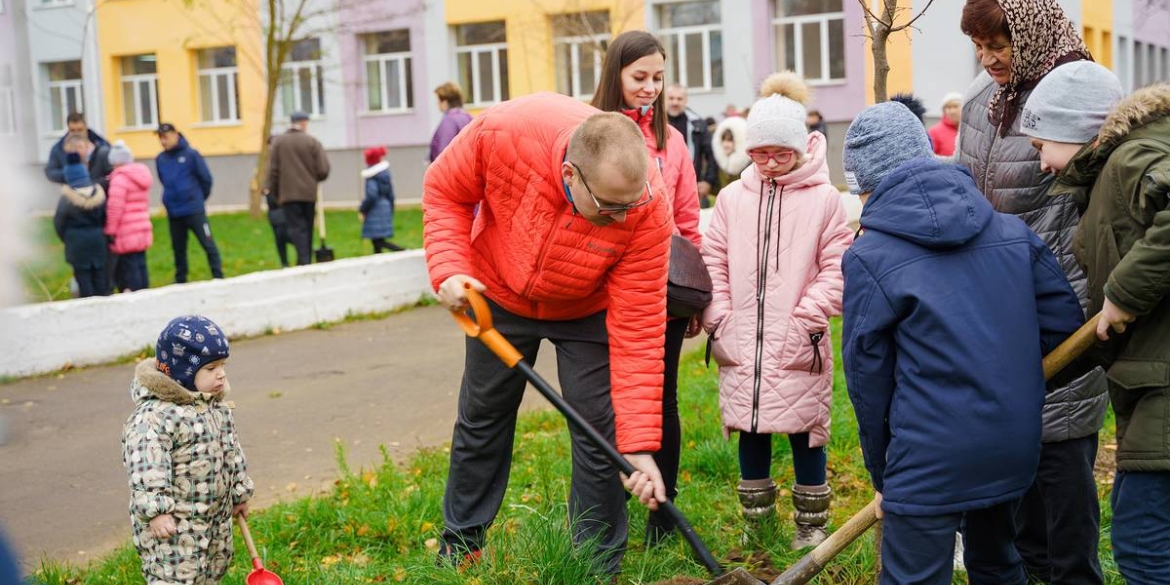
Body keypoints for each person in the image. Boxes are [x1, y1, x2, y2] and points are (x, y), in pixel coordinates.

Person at [423, 94, 672, 577]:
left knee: (601, 430)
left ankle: (594, 563)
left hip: (587, 307)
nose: (622, 218)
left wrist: (638, 444)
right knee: (482, 416)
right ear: (571, 174)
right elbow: (444, 191)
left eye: (631, 203)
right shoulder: (504, 132)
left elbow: (638, 331)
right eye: (609, 206)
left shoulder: (647, 209)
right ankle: (462, 543)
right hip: (497, 289)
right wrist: (450, 270)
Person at [841, 101, 1085, 585]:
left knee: (915, 576)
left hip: (928, 456)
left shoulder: (869, 256)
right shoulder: (1013, 233)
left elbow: (868, 384)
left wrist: (884, 474)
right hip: (1011, 442)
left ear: (865, 186)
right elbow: (1064, 323)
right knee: (998, 563)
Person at [958, 2, 1108, 583]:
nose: (989, 57)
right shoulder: (979, 101)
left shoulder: (1077, 98)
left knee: (1062, 455)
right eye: (979, 45)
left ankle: (1070, 573)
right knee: (1012, 453)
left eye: (1000, 44)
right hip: (994, 303)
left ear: (1033, 33)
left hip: (1065, 299)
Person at [1020, 62, 1170, 584]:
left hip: (1164, 388)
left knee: (1144, 546)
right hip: (1150, 381)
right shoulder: (1118, 173)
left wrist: (1124, 293)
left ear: (1075, 132)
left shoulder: (1131, 159)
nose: (1040, 164)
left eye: (1042, 147)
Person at [701, 71, 852, 550]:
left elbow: (839, 266)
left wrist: (809, 315)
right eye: (760, 153)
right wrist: (719, 316)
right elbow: (713, 260)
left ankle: (810, 526)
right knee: (750, 426)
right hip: (741, 338)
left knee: (807, 430)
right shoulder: (730, 199)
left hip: (799, 341)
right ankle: (757, 523)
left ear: (800, 149)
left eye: (780, 153)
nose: (769, 163)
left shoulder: (825, 201)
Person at [590, 30, 701, 545]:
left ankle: (662, 516)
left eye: (658, 77)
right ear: (615, 75)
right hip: (601, 290)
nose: (651, 88)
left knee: (661, 401)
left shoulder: (672, 142)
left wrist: (699, 288)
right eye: (640, 77)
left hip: (661, 290)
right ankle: (602, 515)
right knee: (606, 403)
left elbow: (687, 219)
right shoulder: (589, 133)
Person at [122, 315, 253, 585]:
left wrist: (239, 492)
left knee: (213, 566)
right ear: (182, 372)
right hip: (175, 525)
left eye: (222, 365)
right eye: (211, 368)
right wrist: (156, 512)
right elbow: (147, 468)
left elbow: (232, 451)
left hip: (214, 518)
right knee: (174, 576)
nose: (221, 373)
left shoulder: (215, 407)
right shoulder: (154, 418)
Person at [156, 123, 224, 283]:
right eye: (160, 138)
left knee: (208, 244)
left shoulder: (191, 155)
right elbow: (164, 180)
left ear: (175, 135)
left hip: (194, 209)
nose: (163, 141)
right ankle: (180, 278)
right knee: (178, 248)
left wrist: (197, 198)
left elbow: (206, 179)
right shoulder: (161, 159)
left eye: (165, 137)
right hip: (174, 211)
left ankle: (218, 275)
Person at [268, 112, 331, 266]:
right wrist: (313, 179)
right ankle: (305, 259)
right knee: (307, 226)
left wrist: (276, 194)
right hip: (309, 194)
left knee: (296, 228)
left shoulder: (278, 143)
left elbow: (273, 172)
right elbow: (323, 170)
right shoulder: (312, 142)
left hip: (288, 195)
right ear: (303, 123)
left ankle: (303, 260)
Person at [53, 136, 109, 298]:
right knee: (100, 279)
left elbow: (59, 223)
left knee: (83, 282)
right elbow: (105, 217)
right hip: (98, 242)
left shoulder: (67, 199)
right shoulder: (99, 195)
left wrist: (68, 238)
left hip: (77, 245)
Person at [104, 140, 153, 292]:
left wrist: (110, 231)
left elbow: (114, 209)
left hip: (126, 231)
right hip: (141, 228)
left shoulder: (119, 179)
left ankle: (135, 295)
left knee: (130, 267)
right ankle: (146, 292)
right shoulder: (140, 175)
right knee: (140, 263)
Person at [665, 83, 719, 208]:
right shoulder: (654, 122)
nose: (675, 102)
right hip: (662, 186)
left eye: (679, 99)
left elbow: (712, 154)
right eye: (671, 98)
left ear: (686, 100)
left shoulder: (697, 125)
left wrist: (708, 181)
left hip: (690, 187)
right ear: (665, 99)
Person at [44, 112, 113, 191]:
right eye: (72, 130)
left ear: (86, 128)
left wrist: (94, 185)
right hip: (73, 194)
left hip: (99, 194)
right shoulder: (59, 148)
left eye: (80, 130)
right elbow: (51, 172)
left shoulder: (103, 146)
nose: (76, 133)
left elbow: (113, 173)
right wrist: (71, 173)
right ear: (68, 129)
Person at [360, 146, 402, 253]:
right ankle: (378, 259)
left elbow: (371, 196)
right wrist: (390, 209)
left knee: (378, 242)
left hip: (375, 210)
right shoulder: (385, 176)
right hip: (385, 208)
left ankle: (402, 251)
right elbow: (391, 195)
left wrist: (363, 209)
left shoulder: (372, 177)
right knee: (378, 242)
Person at [430, 82, 474, 163]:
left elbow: (443, 153)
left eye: (438, 100)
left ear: (445, 102)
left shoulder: (449, 121)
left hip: (453, 171)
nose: (437, 104)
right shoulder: (468, 117)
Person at [713, 115, 750, 190]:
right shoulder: (720, 163)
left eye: (730, 140)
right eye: (723, 140)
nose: (725, 144)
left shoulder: (748, 166)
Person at [929, 93, 962, 157]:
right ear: (944, 111)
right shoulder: (934, 132)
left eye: (956, 106)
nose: (952, 111)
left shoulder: (970, 130)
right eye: (948, 107)